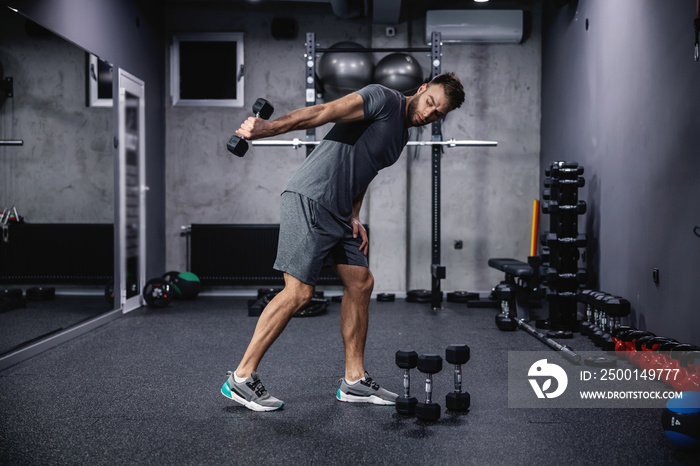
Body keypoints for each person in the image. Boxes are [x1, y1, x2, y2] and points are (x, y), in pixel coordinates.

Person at [221, 72, 465, 412]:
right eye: (430, 103)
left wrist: (354, 215)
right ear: (422, 89)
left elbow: (365, 172)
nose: (430, 113)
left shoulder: (400, 138)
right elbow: (325, 111)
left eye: (439, 114)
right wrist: (268, 128)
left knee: (361, 282)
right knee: (299, 292)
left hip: (338, 212)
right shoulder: (384, 99)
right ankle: (241, 378)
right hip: (311, 197)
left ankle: (353, 381)